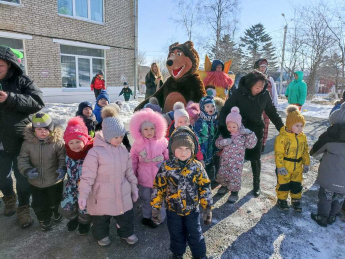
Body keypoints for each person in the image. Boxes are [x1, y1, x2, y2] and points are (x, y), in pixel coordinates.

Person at [219, 70, 284, 197]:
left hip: (255, 130)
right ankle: (226, 183)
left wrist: (281, 128)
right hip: (238, 130)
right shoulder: (238, 93)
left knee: (255, 157)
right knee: (233, 159)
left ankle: (256, 183)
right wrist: (223, 129)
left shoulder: (264, 95)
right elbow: (225, 110)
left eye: (262, 86)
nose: (260, 89)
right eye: (257, 87)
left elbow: (271, 112)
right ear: (250, 85)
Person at [151, 126, 213, 259]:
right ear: (173, 150)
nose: (183, 152)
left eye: (187, 149)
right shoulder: (166, 167)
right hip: (173, 210)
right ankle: (177, 253)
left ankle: (200, 255)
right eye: (179, 148)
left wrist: (207, 208)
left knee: (195, 233)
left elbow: (205, 187)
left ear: (193, 149)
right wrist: (156, 207)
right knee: (176, 233)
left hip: (192, 210)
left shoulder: (197, 166)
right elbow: (158, 188)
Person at [78, 112, 139, 247]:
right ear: (107, 136)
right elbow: (88, 176)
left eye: (121, 136)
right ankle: (102, 234)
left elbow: (129, 171)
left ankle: (126, 232)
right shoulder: (95, 152)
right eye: (116, 137)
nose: (119, 139)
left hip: (122, 190)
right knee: (101, 218)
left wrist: (134, 187)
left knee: (126, 216)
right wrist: (83, 194)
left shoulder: (123, 150)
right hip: (102, 193)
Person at [0, 46, 44, 228]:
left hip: (19, 139)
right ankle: (9, 198)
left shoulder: (21, 80)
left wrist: (10, 98)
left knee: (23, 177)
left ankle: (24, 208)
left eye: (0, 65)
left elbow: (38, 102)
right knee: (1, 176)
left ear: (9, 65)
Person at [17, 113, 66, 231]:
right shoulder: (27, 143)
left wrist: (63, 168)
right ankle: (44, 220)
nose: (43, 132)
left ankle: (56, 212)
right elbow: (22, 159)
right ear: (34, 130)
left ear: (51, 129)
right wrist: (27, 170)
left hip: (54, 180)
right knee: (39, 204)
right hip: (36, 182)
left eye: (46, 129)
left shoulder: (57, 142)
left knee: (55, 200)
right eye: (39, 129)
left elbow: (62, 158)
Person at [129, 108, 168, 228]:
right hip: (144, 178)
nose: (149, 131)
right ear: (140, 130)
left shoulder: (162, 142)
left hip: (159, 178)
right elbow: (133, 160)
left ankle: (158, 218)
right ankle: (147, 216)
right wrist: (132, 174)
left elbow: (167, 158)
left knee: (159, 199)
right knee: (145, 198)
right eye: (145, 129)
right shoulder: (137, 144)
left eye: (152, 128)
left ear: (157, 128)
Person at [310, 103, 345, 226]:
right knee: (339, 197)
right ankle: (333, 216)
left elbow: (314, 152)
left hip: (328, 177)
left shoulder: (329, 136)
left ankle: (322, 217)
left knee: (326, 197)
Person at [59, 117, 93, 234]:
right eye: (71, 142)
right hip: (71, 184)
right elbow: (62, 163)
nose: (75, 145)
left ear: (84, 140)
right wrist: (61, 171)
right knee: (67, 205)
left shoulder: (91, 152)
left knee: (85, 207)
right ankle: (73, 219)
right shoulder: (67, 152)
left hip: (87, 186)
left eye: (78, 141)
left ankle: (84, 223)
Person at [215, 107, 257, 203]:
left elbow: (251, 145)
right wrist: (223, 141)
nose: (231, 129)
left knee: (235, 175)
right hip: (225, 160)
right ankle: (224, 186)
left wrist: (250, 133)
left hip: (237, 162)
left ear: (238, 125)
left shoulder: (243, 135)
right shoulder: (225, 133)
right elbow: (217, 144)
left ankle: (234, 192)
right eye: (229, 126)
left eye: (234, 127)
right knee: (223, 172)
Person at [274, 105, 310, 211]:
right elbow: (279, 153)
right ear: (289, 125)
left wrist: (306, 163)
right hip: (285, 165)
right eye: (297, 125)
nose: (300, 128)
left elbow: (305, 151)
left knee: (297, 183)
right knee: (283, 184)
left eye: (301, 125)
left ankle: (296, 199)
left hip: (297, 166)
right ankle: (282, 200)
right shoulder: (283, 137)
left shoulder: (303, 137)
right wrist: (280, 166)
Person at [254, 59, 279, 152]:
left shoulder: (270, 79)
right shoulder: (253, 78)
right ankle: (254, 143)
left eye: (264, 66)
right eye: (261, 66)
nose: (263, 68)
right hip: (255, 106)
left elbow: (274, 93)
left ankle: (262, 144)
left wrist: (274, 105)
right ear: (257, 67)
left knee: (265, 125)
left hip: (267, 106)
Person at [193, 96, 218, 181]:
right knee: (202, 163)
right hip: (203, 146)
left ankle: (210, 178)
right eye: (207, 107)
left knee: (211, 161)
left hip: (212, 146)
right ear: (203, 108)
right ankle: (202, 180)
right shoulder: (200, 122)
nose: (211, 108)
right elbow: (196, 134)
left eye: (212, 106)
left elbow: (216, 132)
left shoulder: (214, 120)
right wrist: (200, 143)